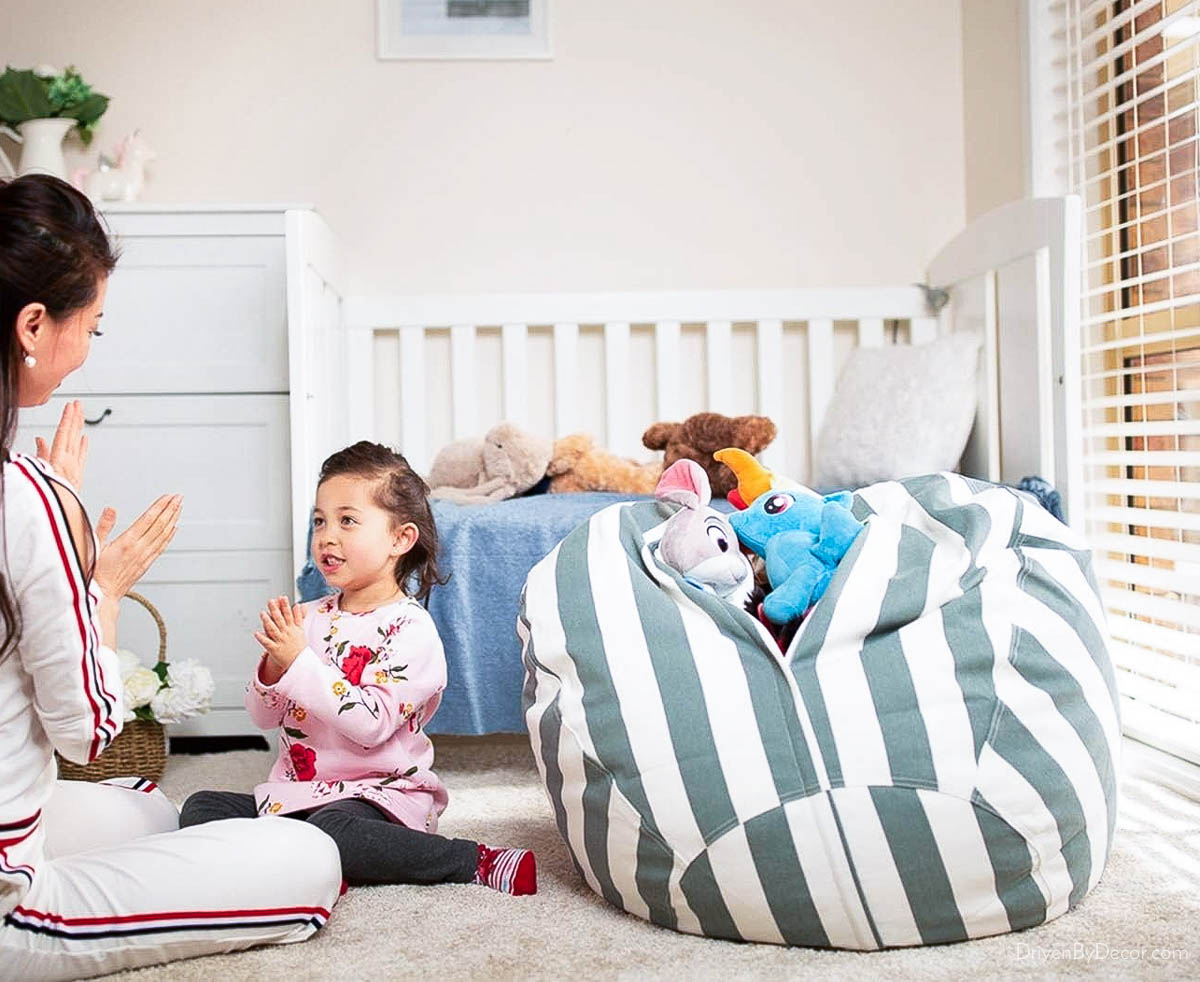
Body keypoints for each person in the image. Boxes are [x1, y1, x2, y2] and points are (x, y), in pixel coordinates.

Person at [0, 175, 342, 982]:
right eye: (94, 325)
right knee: (308, 856)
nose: (87, 348)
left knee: (151, 809)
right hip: (11, 899)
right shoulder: (30, 498)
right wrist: (99, 588)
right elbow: (87, 734)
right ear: (33, 326)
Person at [180, 441, 538, 895]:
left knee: (338, 831)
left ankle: (469, 860)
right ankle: (308, 862)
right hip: (296, 798)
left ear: (399, 539)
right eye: (320, 521)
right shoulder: (306, 617)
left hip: (378, 797)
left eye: (347, 520)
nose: (327, 536)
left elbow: (371, 726)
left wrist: (300, 664)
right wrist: (274, 666)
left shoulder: (410, 628)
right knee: (200, 807)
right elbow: (263, 717)